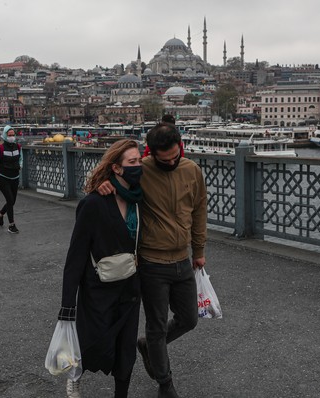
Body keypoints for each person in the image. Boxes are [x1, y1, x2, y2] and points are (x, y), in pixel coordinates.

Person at [98, 123, 208, 398]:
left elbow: (199, 211)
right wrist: (103, 185)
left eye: (175, 156)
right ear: (152, 153)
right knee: (157, 325)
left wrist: (199, 250)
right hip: (152, 262)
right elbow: (111, 174)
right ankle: (165, 382)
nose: (171, 162)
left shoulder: (191, 170)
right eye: (165, 159)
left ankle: (149, 346)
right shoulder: (141, 169)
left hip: (182, 259)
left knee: (189, 319)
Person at [58, 139, 143, 398]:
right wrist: (67, 304)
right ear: (116, 168)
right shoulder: (94, 203)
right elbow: (76, 255)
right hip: (98, 288)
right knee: (92, 340)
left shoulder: (140, 198)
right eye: (132, 162)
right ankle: (75, 375)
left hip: (129, 285)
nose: (139, 166)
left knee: (126, 347)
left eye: (140, 160)